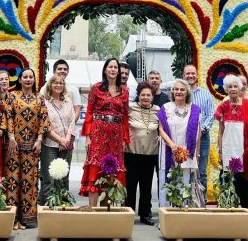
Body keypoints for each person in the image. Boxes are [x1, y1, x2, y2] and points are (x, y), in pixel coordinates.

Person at [80, 58, 130, 207]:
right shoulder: (97, 88)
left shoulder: (124, 91)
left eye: (116, 67)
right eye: (110, 67)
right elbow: (89, 112)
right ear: (105, 70)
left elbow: (126, 116)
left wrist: (125, 139)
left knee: (112, 169)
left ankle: (106, 210)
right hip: (98, 132)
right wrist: (87, 137)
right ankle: (92, 210)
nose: (113, 69)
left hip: (116, 134)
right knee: (95, 167)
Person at [4, 68, 50, 229]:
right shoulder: (12, 96)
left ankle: (27, 218)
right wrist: (10, 138)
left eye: (31, 77)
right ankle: (12, 218)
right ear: (20, 80)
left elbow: (44, 119)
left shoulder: (40, 98)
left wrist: (39, 140)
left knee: (29, 182)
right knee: (12, 180)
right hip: (13, 145)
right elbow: (8, 117)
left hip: (32, 146)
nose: (28, 79)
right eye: (25, 77)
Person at [215, 74, 248, 229]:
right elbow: (220, 131)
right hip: (229, 150)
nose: (233, 89)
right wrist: (220, 152)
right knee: (228, 183)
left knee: (246, 185)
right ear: (226, 89)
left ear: (240, 88)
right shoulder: (223, 106)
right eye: (230, 86)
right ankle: (228, 218)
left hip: (245, 150)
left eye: (236, 86)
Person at [158, 79, 201, 207]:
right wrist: (172, 146)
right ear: (172, 91)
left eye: (182, 89)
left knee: (184, 185)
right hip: (168, 151)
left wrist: (196, 155)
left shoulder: (194, 109)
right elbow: (160, 129)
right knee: (166, 184)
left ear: (187, 92)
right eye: (176, 89)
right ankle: (165, 216)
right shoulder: (165, 108)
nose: (179, 92)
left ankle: (181, 216)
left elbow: (198, 133)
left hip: (186, 154)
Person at [125, 82, 160, 225]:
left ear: (152, 97)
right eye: (143, 95)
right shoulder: (130, 108)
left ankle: (145, 214)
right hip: (131, 152)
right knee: (130, 185)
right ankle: (128, 212)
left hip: (150, 154)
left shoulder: (158, 110)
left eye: (148, 95)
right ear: (138, 96)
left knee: (146, 185)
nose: (145, 97)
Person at [39, 75, 75, 206]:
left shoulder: (68, 101)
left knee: (64, 177)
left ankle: (63, 206)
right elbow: (45, 124)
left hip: (66, 144)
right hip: (50, 144)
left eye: (61, 83)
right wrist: (60, 140)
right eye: (55, 83)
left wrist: (66, 140)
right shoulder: (44, 101)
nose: (58, 85)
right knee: (49, 179)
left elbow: (72, 122)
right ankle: (46, 208)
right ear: (50, 85)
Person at [184, 64, 215, 200]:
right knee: (185, 170)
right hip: (183, 137)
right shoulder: (180, 93)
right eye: (187, 74)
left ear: (197, 75)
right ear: (183, 76)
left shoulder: (205, 94)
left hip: (202, 138)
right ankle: (186, 201)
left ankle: (201, 202)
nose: (190, 76)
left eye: (193, 73)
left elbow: (211, 114)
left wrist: (201, 131)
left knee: (201, 170)